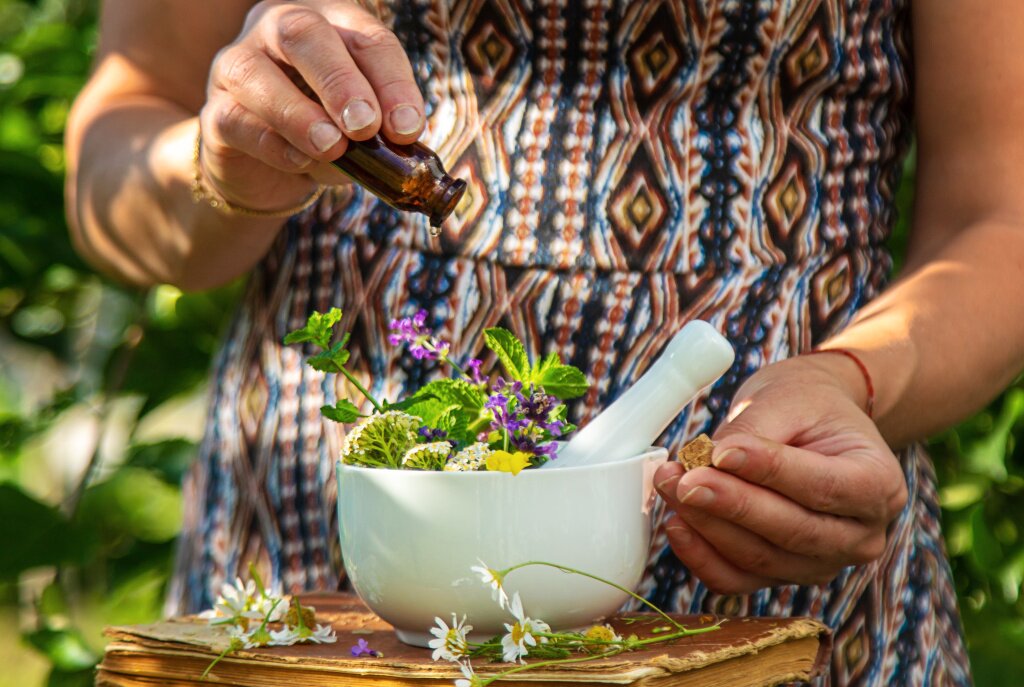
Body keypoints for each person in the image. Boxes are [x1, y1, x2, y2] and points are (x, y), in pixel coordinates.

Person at [64, 1, 1024, 684]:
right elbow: (115, 152)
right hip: (337, 546)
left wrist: (855, 379)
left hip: (768, 544)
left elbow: (1001, 219)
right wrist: (217, 162)